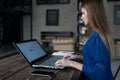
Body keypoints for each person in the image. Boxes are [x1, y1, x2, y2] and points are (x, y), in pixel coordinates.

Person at [55, 0, 114, 80]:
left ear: (92, 14)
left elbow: (100, 73)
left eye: (83, 13)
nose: (81, 17)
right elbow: (94, 57)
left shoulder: (98, 37)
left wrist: (70, 63)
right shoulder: (96, 32)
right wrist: (77, 57)